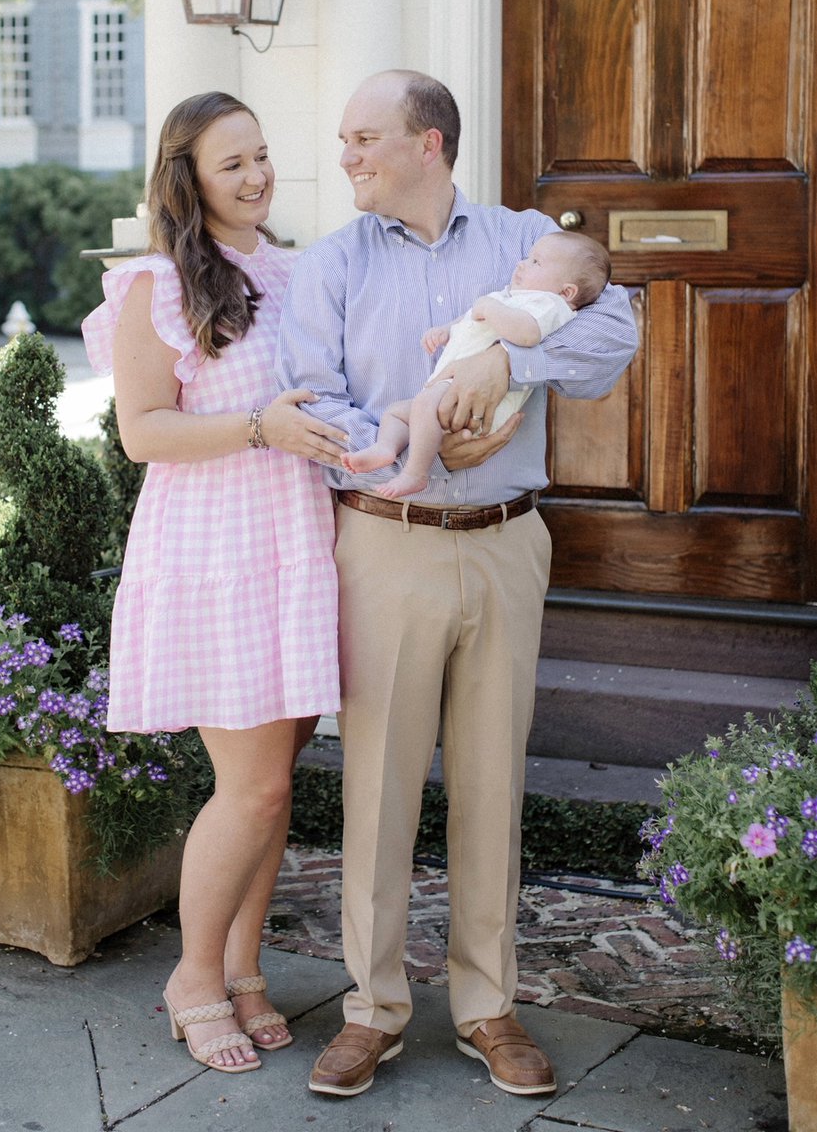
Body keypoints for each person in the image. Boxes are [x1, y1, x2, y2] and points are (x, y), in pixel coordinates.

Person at [276, 69, 638, 1099]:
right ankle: (371, 1010)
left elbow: (616, 335)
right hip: (385, 540)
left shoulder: (523, 240)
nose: (346, 155)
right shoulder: (331, 261)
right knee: (378, 788)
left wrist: (504, 373)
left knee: (491, 785)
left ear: (428, 142)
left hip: (508, 544)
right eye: (342, 138)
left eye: (364, 137)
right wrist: (432, 424)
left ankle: (488, 1007)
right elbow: (313, 398)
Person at [81, 92, 347, 1077]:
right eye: (233, 162)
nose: (257, 175)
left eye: (264, 156)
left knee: (277, 791)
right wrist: (257, 429)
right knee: (252, 784)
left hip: (295, 544)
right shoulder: (152, 284)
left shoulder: (294, 270)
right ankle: (192, 977)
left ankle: (242, 974)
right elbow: (142, 432)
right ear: (186, 175)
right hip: (215, 552)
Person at [342, 231, 611, 497]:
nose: (521, 264)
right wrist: (447, 330)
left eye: (536, 263)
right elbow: (472, 319)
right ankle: (386, 448)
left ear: (567, 291)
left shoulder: (549, 304)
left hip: (477, 402)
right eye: (528, 258)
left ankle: (415, 473)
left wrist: (488, 308)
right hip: (452, 389)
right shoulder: (514, 297)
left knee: (423, 405)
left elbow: (527, 334)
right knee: (396, 412)